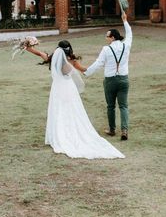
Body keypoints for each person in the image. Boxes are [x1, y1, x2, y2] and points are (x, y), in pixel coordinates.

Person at [25, 40, 124, 160]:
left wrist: (28, 47)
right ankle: (69, 133)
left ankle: (59, 134)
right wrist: (100, 66)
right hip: (68, 88)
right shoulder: (71, 61)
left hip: (57, 89)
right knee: (72, 110)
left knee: (58, 110)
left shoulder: (53, 58)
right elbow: (84, 70)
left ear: (58, 49)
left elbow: (40, 54)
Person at [84, 10, 132, 140]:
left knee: (110, 106)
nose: (106, 38)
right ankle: (124, 130)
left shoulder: (106, 49)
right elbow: (130, 34)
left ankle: (112, 129)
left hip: (110, 81)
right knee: (123, 106)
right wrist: (125, 20)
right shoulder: (126, 45)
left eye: (107, 36)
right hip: (123, 79)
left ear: (113, 37)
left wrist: (87, 72)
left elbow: (98, 63)